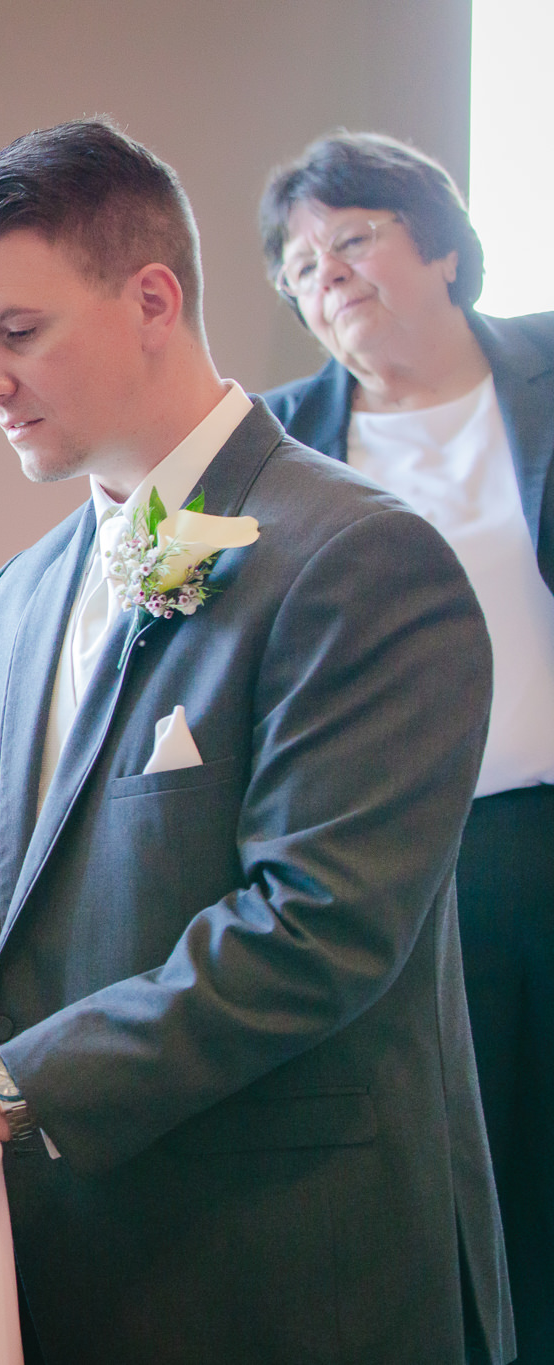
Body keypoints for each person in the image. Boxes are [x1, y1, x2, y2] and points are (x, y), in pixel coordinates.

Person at [0, 120, 512, 1362]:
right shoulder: (17, 598)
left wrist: (8, 1087)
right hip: (43, 1266)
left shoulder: (360, 558)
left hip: (279, 1270)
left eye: (14, 332)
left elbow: (313, 927)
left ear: (150, 298)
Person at [257, 130, 553, 1364]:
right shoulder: (281, 442)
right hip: (403, 856)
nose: (325, 272)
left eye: (351, 238)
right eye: (299, 265)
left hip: (543, 820)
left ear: (436, 243)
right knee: (463, 1153)